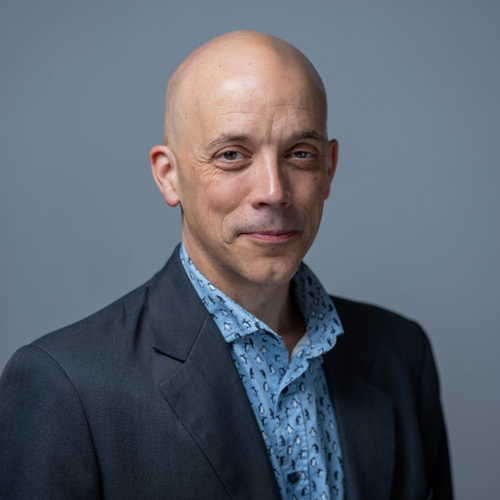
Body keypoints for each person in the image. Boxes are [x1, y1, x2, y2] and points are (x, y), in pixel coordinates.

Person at [0, 31, 453, 500]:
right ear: (169, 176)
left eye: (300, 153)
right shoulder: (66, 386)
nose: (274, 191)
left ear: (329, 169)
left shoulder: (402, 353)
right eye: (232, 155)